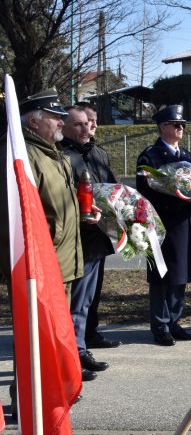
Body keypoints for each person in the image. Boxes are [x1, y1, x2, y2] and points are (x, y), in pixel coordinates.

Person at [0, 89, 99, 392]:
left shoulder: (54, 154)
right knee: (35, 337)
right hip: (39, 265)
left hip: (63, 262)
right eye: (54, 118)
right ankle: (30, 402)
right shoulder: (22, 157)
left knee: (53, 335)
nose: (60, 123)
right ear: (32, 123)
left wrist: (84, 213)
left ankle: (50, 394)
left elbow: (56, 207)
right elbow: (14, 216)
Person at [61, 104, 119, 381]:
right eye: (78, 125)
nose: (86, 129)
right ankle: (72, 356)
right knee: (74, 304)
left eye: (87, 123)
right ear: (64, 128)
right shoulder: (63, 157)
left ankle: (81, 349)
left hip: (97, 240)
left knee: (86, 302)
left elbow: (113, 191)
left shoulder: (98, 153)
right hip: (74, 241)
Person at [135, 105, 191, 346]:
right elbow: (145, 191)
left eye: (182, 125)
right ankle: (160, 325)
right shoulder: (149, 156)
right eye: (176, 124)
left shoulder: (186, 155)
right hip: (162, 225)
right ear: (163, 127)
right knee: (161, 276)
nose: (181, 128)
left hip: (183, 224)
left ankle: (174, 320)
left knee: (179, 275)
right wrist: (178, 200)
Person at [74, 101, 121, 350]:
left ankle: (90, 333)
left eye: (93, 121)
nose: (91, 125)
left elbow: (113, 188)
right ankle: (78, 347)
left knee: (93, 293)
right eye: (84, 121)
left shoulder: (99, 153)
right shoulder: (68, 154)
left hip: (98, 234)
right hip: (78, 236)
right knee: (78, 298)